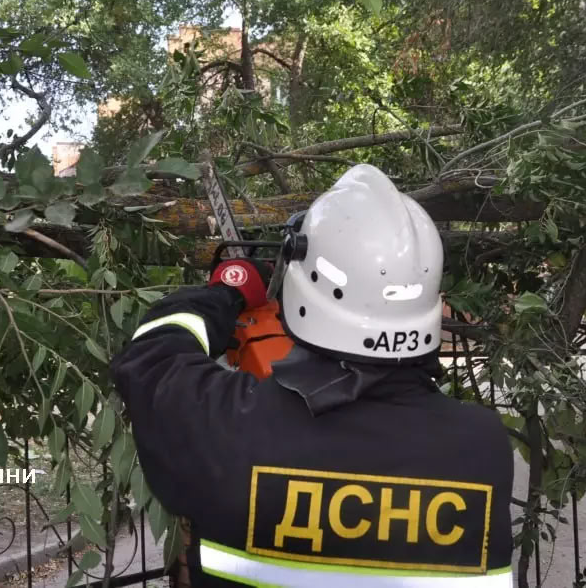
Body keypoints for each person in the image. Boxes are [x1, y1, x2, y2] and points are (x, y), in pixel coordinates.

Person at [113, 164, 513, 586]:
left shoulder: (229, 429)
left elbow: (152, 354)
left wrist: (229, 289)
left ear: (301, 282)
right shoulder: (483, 447)